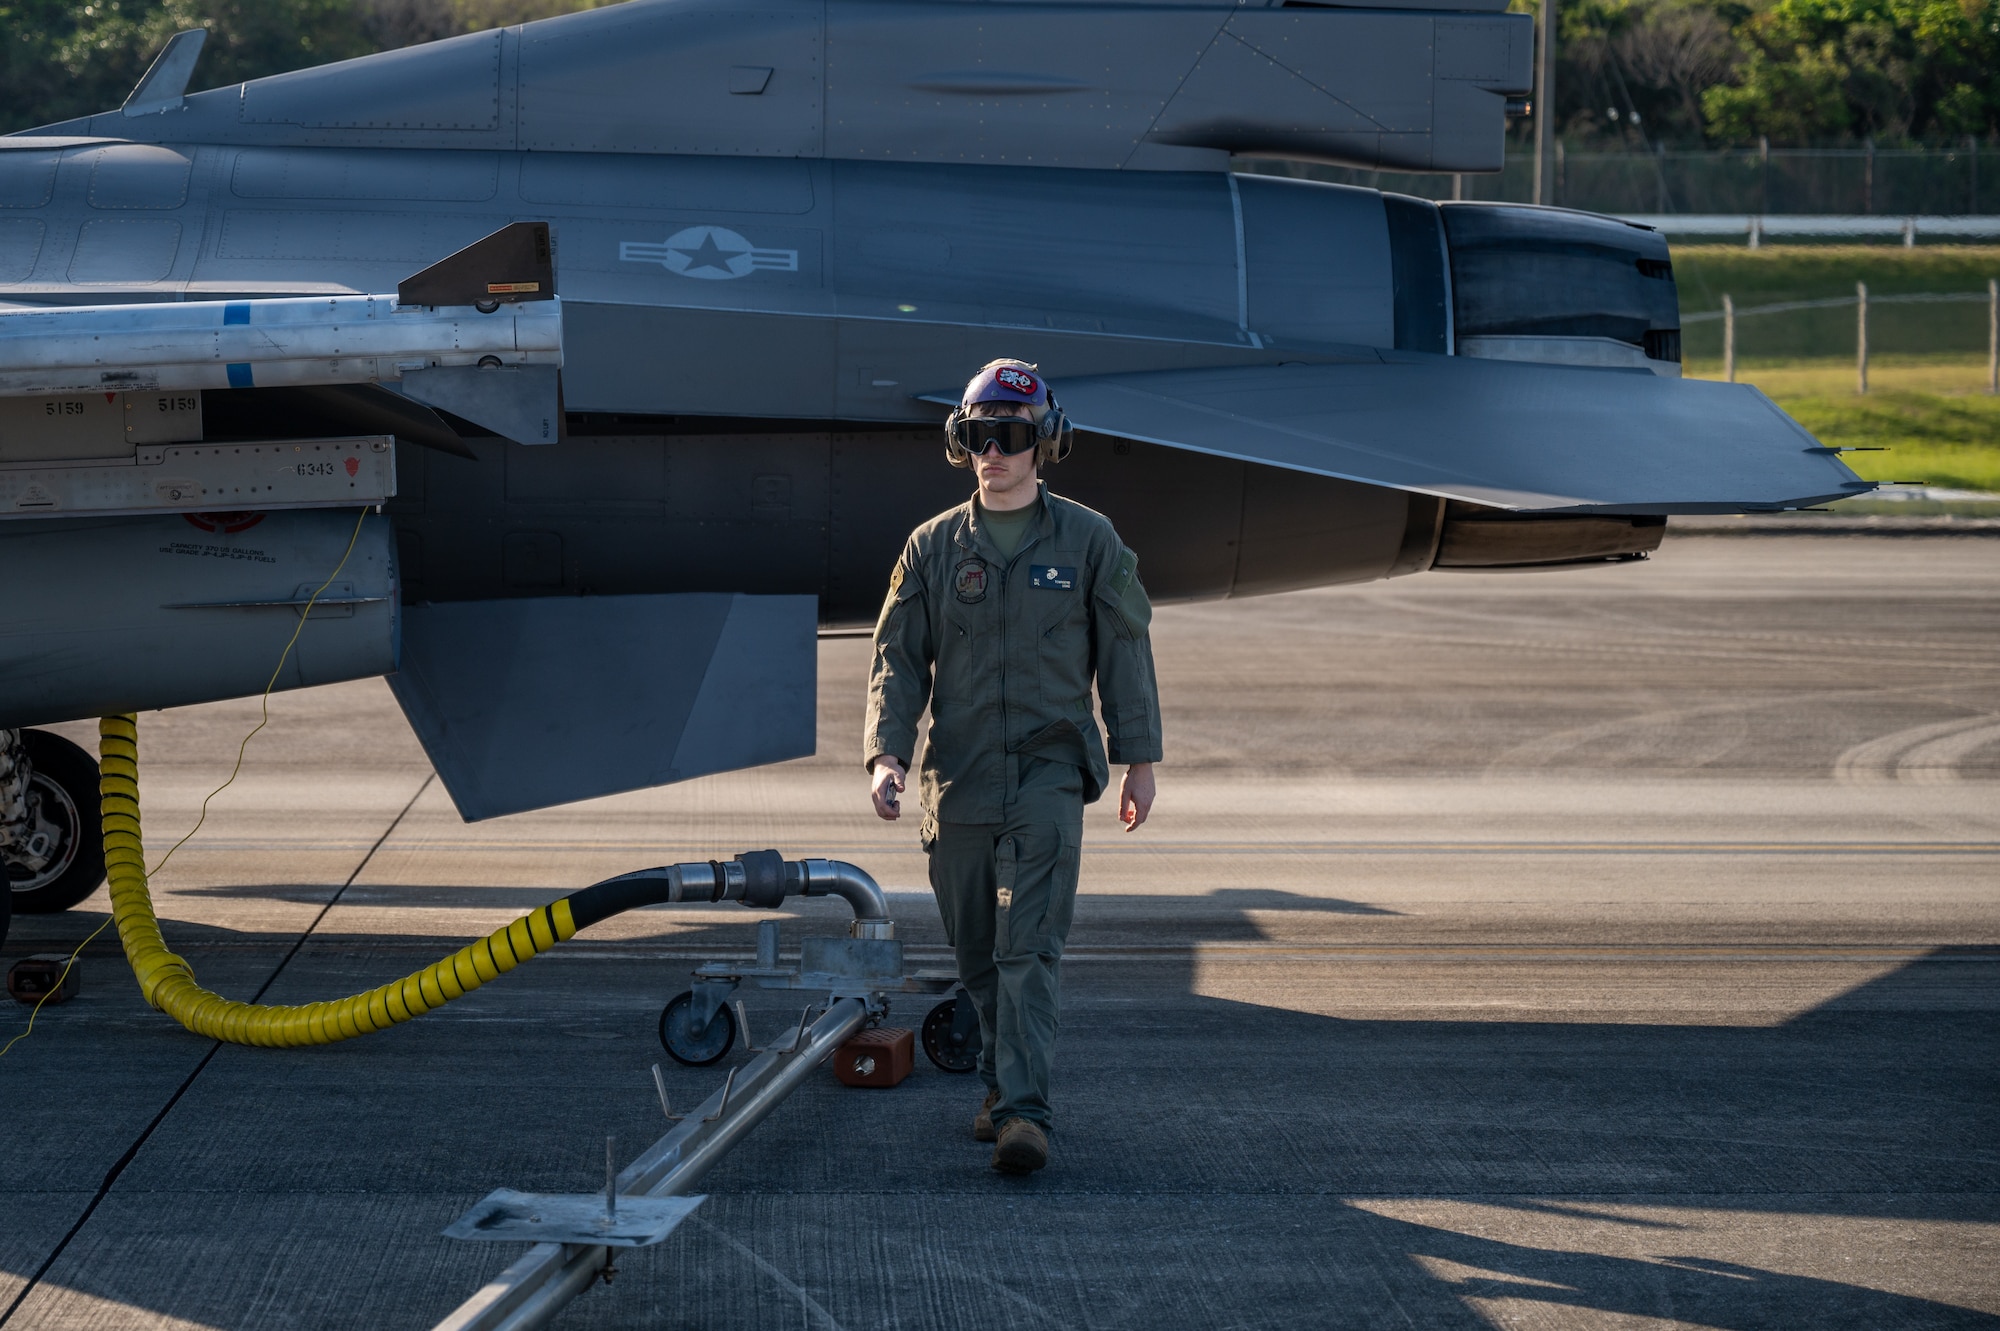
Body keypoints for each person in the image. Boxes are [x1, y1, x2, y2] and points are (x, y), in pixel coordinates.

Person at [862, 358, 1163, 1174]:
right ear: (961, 443)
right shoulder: (931, 548)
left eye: (1013, 436)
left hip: (1049, 770)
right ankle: (999, 1084)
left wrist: (1139, 759)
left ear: (1045, 443)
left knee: (1027, 944)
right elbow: (898, 657)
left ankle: (1024, 1113)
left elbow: (1124, 653)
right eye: (979, 436)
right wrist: (886, 754)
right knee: (975, 947)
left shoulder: (1089, 540)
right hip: (956, 774)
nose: (994, 452)